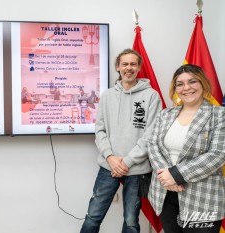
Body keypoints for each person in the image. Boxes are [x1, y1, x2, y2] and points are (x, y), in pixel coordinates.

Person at [80, 48, 162, 233]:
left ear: (139, 67)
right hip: (109, 166)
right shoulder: (107, 95)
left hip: (137, 169)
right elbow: (99, 130)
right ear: (118, 67)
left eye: (133, 64)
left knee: (131, 221)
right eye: (125, 64)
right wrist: (110, 157)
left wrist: (127, 161)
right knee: (93, 216)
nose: (129, 68)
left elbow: (151, 135)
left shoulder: (151, 96)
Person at [148, 64, 225, 233]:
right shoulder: (165, 114)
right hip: (165, 193)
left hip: (202, 198)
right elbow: (153, 145)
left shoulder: (219, 115)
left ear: (203, 83)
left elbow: (218, 154)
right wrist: (166, 176)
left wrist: (176, 175)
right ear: (175, 88)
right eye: (180, 84)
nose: (186, 88)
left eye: (192, 81)